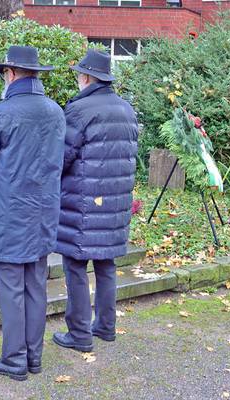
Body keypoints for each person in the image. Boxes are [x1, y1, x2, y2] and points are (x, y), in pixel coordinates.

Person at [0, 45, 66, 381]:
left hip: (10, 214)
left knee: (12, 288)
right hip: (42, 212)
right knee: (35, 285)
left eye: (3, 75)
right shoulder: (55, 112)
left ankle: (14, 360)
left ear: (10, 74)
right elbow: (58, 165)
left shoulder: (1, 112)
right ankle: (32, 358)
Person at [52, 49, 139, 353]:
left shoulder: (80, 110)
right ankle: (106, 326)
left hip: (82, 204)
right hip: (115, 204)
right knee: (106, 265)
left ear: (87, 77)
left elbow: (62, 157)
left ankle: (79, 334)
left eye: (79, 75)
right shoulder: (127, 110)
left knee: (75, 265)